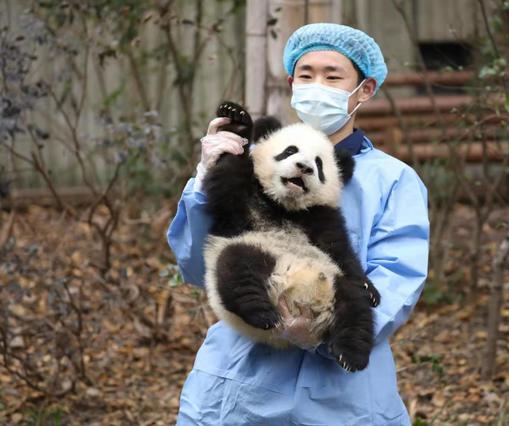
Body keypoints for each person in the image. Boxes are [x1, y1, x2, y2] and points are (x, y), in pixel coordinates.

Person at [166, 23, 429, 425]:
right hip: (241, 386)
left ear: (365, 90)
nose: (317, 85)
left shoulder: (392, 180)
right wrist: (207, 179)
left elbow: (396, 281)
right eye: (306, 75)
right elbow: (198, 267)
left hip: (340, 397)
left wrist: (324, 329)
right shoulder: (254, 160)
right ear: (291, 83)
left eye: (333, 75)